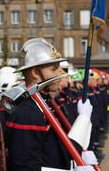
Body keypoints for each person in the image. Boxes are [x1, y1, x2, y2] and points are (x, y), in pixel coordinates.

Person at [6, 38, 96, 171]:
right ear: (35, 73)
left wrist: (79, 152)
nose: (61, 73)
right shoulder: (27, 113)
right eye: (54, 69)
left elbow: (57, 150)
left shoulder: (45, 103)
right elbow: (25, 168)